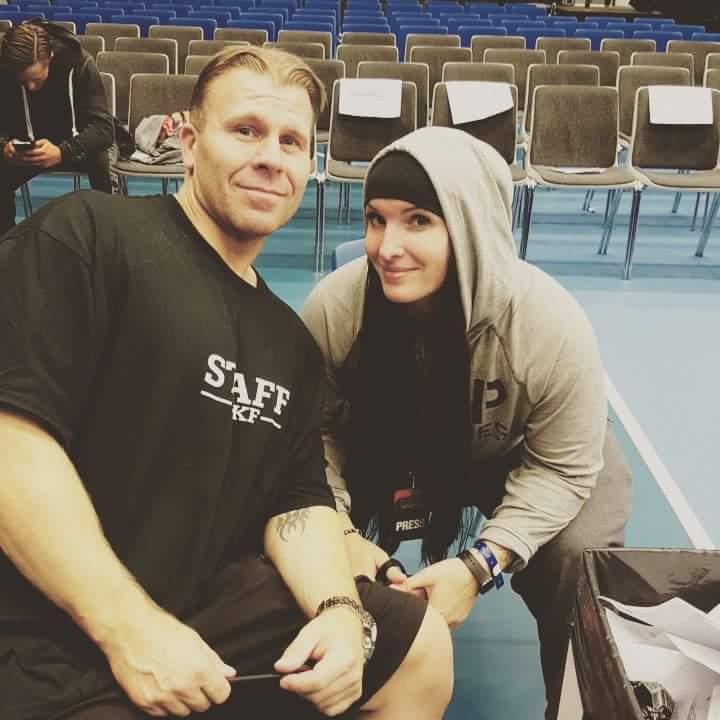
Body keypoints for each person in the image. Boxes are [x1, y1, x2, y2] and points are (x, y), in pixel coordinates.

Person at [0, 47, 454, 720]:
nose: (271, 157)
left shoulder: (288, 341)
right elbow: (12, 439)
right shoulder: (89, 235)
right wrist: (130, 629)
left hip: (196, 609)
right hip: (41, 634)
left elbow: (297, 502)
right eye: (246, 130)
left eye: (291, 141)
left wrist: (339, 610)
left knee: (417, 647)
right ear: (188, 142)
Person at [300, 126, 633, 720]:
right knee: (300, 535)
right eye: (376, 219)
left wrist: (480, 565)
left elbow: (563, 467)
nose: (387, 247)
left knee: (581, 556)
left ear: (470, 226)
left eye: (418, 221)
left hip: (513, 451)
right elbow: (312, 438)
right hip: (384, 441)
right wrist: (341, 535)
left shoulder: (549, 326)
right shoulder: (336, 308)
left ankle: (579, 706)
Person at [0, 20, 114, 237]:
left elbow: (104, 129)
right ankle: (7, 244)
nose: (30, 87)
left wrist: (63, 151)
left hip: (75, 144)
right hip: (30, 149)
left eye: (35, 79)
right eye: (23, 81)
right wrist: (4, 147)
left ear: (50, 57)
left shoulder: (80, 63)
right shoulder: (7, 69)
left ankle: (108, 237)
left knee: (101, 160)